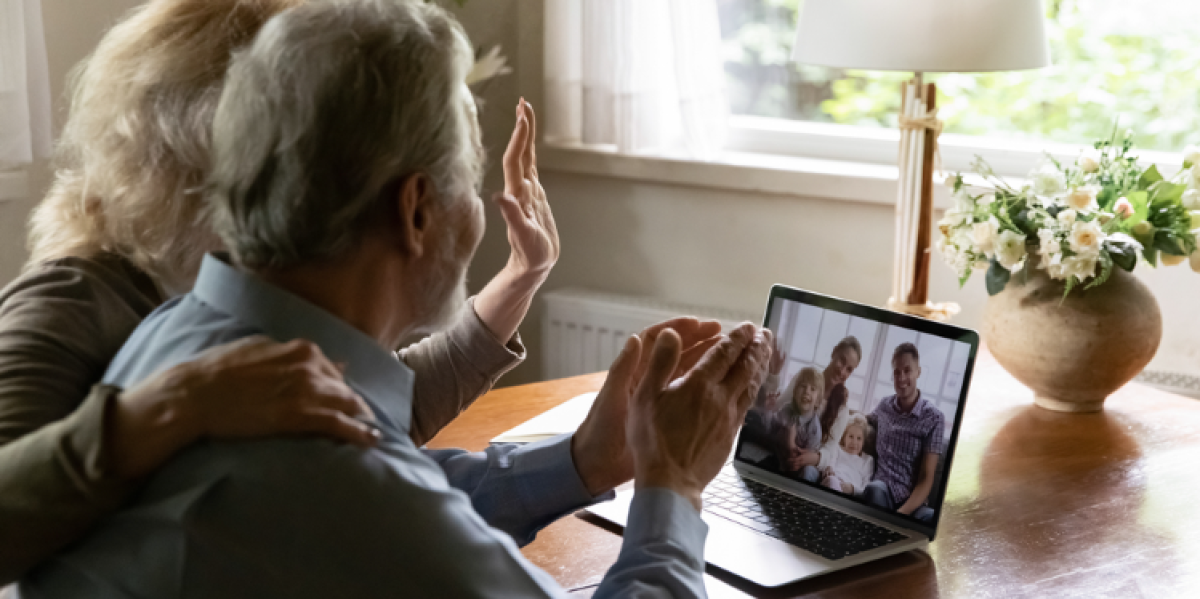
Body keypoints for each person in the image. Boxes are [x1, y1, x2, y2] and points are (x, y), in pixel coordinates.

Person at [18, 2, 773, 597]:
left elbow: (384, 501)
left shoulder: (180, 331)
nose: (479, 213)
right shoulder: (343, 480)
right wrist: (672, 486)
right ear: (416, 211)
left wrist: (582, 460)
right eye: (472, 181)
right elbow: (373, 504)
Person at [0, 0, 559, 584]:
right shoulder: (76, 296)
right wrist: (161, 410)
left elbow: (340, 409)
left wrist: (510, 293)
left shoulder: (245, 283)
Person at [862, 343, 943, 523]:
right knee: (874, 489)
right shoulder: (884, 406)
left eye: (907, 370)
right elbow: (863, 420)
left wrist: (901, 514)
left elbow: (926, 477)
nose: (901, 378)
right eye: (897, 372)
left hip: (912, 504)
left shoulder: (934, 418)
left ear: (918, 372)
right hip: (880, 493)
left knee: (931, 518)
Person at [766, 335, 862, 473]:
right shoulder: (805, 378)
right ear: (834, 352)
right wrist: (774, 375)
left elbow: (830, 449)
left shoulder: (842, 409)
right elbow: (779, 407)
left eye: (849, 369)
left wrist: (812, 458)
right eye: (842, 360)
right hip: (784, 445)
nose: (842, 371)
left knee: (808, 473)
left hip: (810, 462)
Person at [771, 366, 823, 475]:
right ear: (794, 393)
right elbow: (770, 430)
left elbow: (799, 459)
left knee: (806, 472)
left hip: (798, 465)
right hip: (777, 456)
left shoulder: (814, 428)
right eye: (803, 386)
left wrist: (790, 442)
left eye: (812, 389)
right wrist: (768, 411)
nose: (806, 392)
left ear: (817, 401)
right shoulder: (786, 410)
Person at [818, 413, 875, 496]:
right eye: (851, 436)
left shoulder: (867, 460)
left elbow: (866, 487)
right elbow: (831, 462)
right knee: (831, 480)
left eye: (859, 438)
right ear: (844, 437)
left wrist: (852, 489)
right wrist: (829, 468)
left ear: (864, 441)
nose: (854, 442)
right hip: (834, 481)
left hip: (851, 494)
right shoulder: (837, 449)